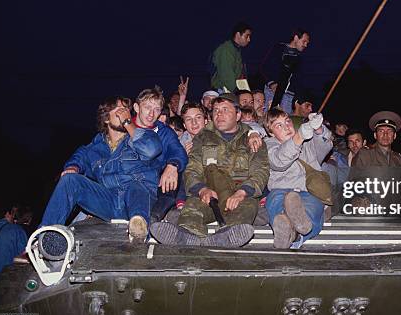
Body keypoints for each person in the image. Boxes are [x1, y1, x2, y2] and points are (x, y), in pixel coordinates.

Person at [151, 93, 269, 247]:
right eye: (216, 110)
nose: (219, 114)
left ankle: (226, 236)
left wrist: (242, 193)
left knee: (248, 207)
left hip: (239, 195)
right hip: (209, 195)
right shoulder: (202, 138)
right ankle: (186, 235)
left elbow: (260, 171)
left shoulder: (252, 139)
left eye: (225, 110)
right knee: (192, 208)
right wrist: (202, 190)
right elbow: (192, 168)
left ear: (238, 114)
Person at [39, 96, 163, 243]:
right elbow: (79, 156)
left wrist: (128, 123)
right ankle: (43, 240)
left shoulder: (143, 136)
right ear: (106, 118)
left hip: (139, 200)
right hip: (109, 201)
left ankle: (139, 230)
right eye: (120, 110)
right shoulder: (95, 147)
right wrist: (73, 167)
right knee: (70, 180)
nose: (125, 114)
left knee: (136, 186)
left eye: (127, 111)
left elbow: (151, 150)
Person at [264, 108, 332, 249]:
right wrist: (298, 137)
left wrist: (318, 129)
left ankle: (292, 233)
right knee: (275, 203)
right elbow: (279, 161)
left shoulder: (308, 142)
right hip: (280, 190)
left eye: (287, 121)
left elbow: (325, 147)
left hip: (308, 191)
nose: (287, 127)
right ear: (271, 133)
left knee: (314, 208)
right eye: (279, 125)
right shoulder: (268, 145)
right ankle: (290, 229)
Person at [131, 86, 188, 224]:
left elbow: (178, 150)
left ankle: (155, 218)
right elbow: (93, 151)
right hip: (128, 184)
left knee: (174, 173)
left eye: (156, 109)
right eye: (147, 107)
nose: (151, 113)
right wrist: (73, 166)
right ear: (137, 108)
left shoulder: (164, 132)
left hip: (154, 184)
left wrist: (173, 164)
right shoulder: (124, 129)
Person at [269, 29, 311, 110]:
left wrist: (302, 101)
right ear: (296, 38)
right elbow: (265, 67)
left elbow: (298, 81)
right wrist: (271, 83)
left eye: (307, 43)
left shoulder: (299, 59)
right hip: (271, 91)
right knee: (269, 117)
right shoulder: (278, 49)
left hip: (287, 96)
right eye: (304, 41)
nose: (306, 45)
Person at [210, 22, 252, 93]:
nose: (249, 40)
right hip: (223, 90)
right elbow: (227, 75)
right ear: (238, 34)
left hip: (230, 89)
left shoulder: (236, 50)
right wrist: (237, 92)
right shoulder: (226, 49)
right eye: (247, 36)